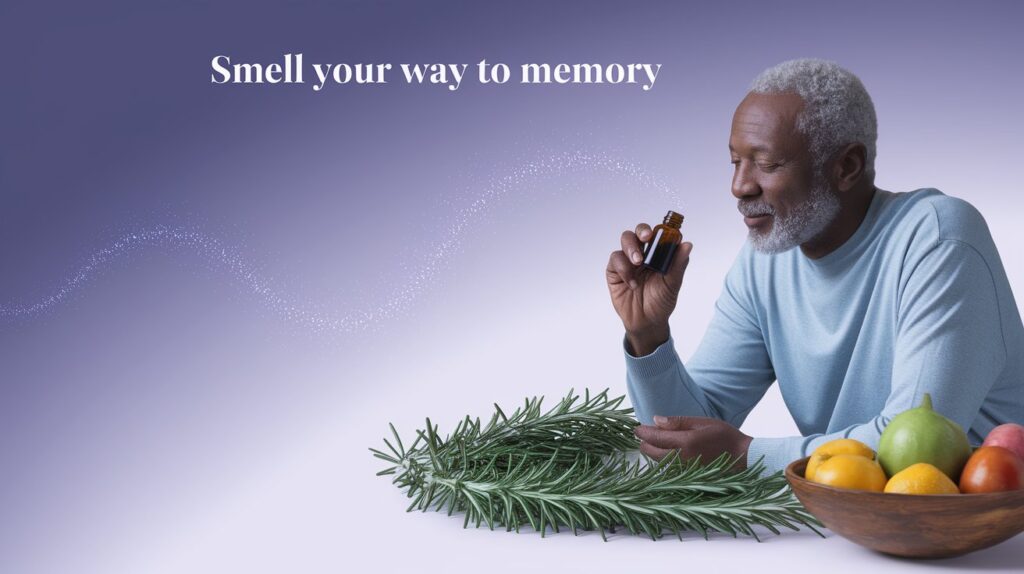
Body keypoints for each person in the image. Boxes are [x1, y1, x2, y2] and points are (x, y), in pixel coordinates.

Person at [606, 59, 1024, 475]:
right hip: (851, 520)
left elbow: (915, 448)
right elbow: (686, 439)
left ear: (847, 166)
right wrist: (648, 334)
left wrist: (745, 455)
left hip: (974, 520)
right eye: (735, 161)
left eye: (766, 164)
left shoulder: (938, 239)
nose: (739, 186)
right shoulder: (763, 262)